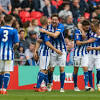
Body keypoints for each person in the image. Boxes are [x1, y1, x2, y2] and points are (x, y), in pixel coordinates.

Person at [34, 16, 62, 92]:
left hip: (41, 51)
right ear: (46, 22)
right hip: (45, 51)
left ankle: (44, 86)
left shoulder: (39, 30)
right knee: (43, 70)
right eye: (49, 22)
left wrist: (35, 51)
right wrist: (56, 50)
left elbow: (38, 41)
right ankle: (38, 86)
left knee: (45, 70)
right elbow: (47, 42)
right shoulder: (44, 31)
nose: (50, 23)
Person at [40, 14, 67, 92]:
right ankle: (49, 84)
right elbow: (42, 36)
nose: (54, 21)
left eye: (56, 19)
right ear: (51, 20)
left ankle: (62, 87)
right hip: (52, 50)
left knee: (62, 68)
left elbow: (55, 35)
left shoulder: (61, 26)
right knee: (51, 69)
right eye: (53, 19)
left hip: (61, 50)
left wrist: (45, 31)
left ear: (58, 20)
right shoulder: (48, 27)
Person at [0, 15, 19, 94]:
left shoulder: (0, 29)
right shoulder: (14, 31)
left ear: (4, 21)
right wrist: (13, 49)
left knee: (1, 72)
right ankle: (4, 89)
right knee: (7, 71)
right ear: (12, 21)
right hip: (9, 54)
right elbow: (17, 44)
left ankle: (0, 88)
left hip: (0, 54)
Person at [73, 20, 92, 91]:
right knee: (76, 70)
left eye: (88, 27)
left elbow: (79, 23)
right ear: (83, 27)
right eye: (86, 27)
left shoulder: (89, 31)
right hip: (77, 54)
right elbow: (78, 43)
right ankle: (75, 86)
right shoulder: (78, 32)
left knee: (85, 68)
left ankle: (86, 86)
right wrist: (87, 41)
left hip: (85, 53)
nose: (88, 28)